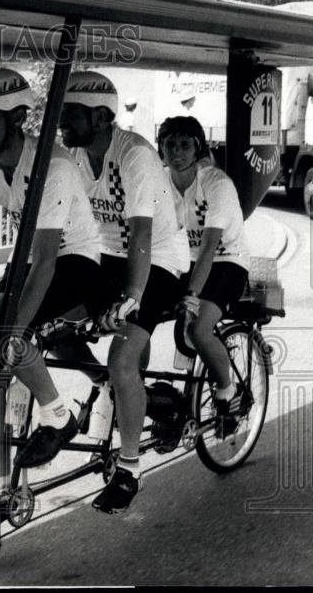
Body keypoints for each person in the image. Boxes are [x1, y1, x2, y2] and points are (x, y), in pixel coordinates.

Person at [0, 68, 104, 492]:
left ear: (18, 118)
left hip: (74, 261)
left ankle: (58, 414)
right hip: (28, 260)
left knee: (5, 330)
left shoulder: (51, 165)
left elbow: (46, 262)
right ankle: (5, 490)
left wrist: (12, 328)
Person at [59, 71, 189, 514]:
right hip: (108, 256)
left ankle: (129, 470)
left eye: (70, 113)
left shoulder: (134, 154)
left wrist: (131, 297)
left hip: (159, 262)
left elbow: (141, 231)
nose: (61, 121)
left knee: (122, 356)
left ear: (99, 116)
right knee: (54, 329)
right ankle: (117, 387)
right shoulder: (74, 155)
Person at [158, 116, 250, 435]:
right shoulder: (161, 181)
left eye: (185, 144)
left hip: (228, 261)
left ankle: (228, 390)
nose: (176, 151)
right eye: (170, 143)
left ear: (198, 148)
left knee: (198, 329)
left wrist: (192, 297)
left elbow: (211, 246)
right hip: (190, 261)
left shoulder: (215, 183)